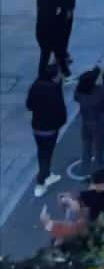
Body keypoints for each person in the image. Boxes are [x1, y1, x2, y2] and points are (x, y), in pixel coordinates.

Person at [26, 62, 66, 196]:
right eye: (59, 74)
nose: (61, 76)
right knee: (46, 155)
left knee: (42, 152)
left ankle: (47, 174)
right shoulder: (53, 90)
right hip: (50, 129)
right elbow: (61, 110)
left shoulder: (35, 86)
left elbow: (29, 105)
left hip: (36, 127)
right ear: (54, 77)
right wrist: (60, 123)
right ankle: (41, 182)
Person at [74, 65, 104, 175]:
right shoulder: (99, 92)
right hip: (98, 122)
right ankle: (100, 164)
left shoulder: (79, 93)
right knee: (99, 145)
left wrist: (96, 71)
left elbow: (84, 83)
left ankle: (85, 165)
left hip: (85, 122)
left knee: (86, 144)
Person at [35, 0, 76, 77]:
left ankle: (43, 74)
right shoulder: (52, 4)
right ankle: (65, 74)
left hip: (41, 32)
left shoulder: (41, 0)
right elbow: (56, 17)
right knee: (58, 52)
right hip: (50, 32)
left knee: (47, 54)